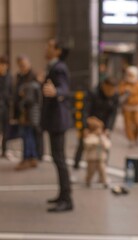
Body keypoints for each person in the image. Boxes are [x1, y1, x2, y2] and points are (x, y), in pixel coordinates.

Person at [42, 39, 73, 212]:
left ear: (58, 51)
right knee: (57, 158)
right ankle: (63, 195)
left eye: (49, 46)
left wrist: (57, 92)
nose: (46, 48)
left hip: (58, 120)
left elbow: (64, 88)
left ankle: (67, 199)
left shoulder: (59, 68)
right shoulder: (54, 66)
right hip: (55, 120)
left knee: (59, 159)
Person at [73, 77, 119, 169]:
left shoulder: (115, 95)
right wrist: (85, 127)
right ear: (104, 86)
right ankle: (76, 165)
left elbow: (113, 114)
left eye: (113, 89)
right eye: (109, 89)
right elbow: (85, 110)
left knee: (105, 145)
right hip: (90, 123)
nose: (110, 92)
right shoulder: (93, 93)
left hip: (104, 125)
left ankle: (103, 168)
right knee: (83, 144)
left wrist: (108, 128)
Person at [14, 56, 42, 170]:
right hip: (25, 111)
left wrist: (22, 96)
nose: (23, 67)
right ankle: (31, 156)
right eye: (21, 65)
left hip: (30, 111)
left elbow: (30, 97)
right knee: (27, 134)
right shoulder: (20, 77)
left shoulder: (32, 77)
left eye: (24, 65)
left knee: (27, 134)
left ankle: (29, 157)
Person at [119, 66, 138, 148]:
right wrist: (125, 91)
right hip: (127, 107)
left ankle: (136, 137)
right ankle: (131, 139)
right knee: (128, 124)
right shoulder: (124, 83)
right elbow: (120, 93)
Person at [83, 116, 111, 188]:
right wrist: (96, 141)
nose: (100, 131)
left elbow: (108, 145)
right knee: (90, 171)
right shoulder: (90, 136)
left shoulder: (102, 137)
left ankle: (104, 181)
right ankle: (88, 180)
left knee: (103, 170)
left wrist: (102, 140)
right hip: (92, 158)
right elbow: (87, 144)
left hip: (101, 158)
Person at [0, 56, 12, 157]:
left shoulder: (9, 77)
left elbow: (11, 91)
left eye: (4, 65)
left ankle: (4, 150)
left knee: (6, 130)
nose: (2, 67)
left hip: (6, 108)